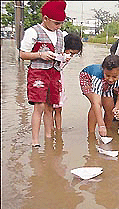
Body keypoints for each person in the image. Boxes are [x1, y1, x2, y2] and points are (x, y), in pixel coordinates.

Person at [19, 0, 66, 147]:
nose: (58, 26)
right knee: (39, 105)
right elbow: (22, 54)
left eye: (61, 23)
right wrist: (40, 54)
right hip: (38, 73)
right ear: (45, 18)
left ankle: (48, 137)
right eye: (56, 23)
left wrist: (63, 57)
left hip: (54, 73)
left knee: (50, 107)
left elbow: (61, 53)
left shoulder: (60, 35)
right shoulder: (33, 32)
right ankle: (35, 141)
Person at [79, 55, 119, 137]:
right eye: (108, 75)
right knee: (96, 105)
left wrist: (117, 108)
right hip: (87, 79)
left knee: (110, 108)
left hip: (106, 85)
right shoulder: (97, 77)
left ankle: (106, 133)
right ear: (103, 70)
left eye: (114, 76)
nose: (110, 79)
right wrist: (101, 125)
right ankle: (91, 135)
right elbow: (96, 103)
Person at [52, 33, 83, 131]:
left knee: (58, 108)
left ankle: (58, 130)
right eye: (71, 53)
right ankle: (51, 130)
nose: (71, 56)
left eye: (74, 54)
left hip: (59, 81)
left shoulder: (65, 57)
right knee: (49, 109)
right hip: (51, 81)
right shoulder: (54, 53)